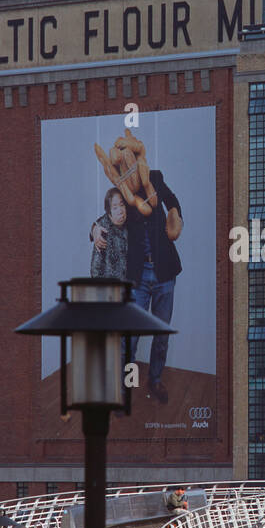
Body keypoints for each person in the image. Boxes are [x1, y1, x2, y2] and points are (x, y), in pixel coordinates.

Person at [95, 167, 182, 404]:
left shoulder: (154, 177)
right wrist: (94, 230)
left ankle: (155, 379)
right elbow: (106, 216)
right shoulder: (120, 188)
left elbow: (172, 200)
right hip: (138, 277)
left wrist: (175, 216)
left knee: (161, 334)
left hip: (164, 272)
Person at [89, 185, 130, 281]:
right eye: (115, 208)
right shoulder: (103, 230)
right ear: (108, 213)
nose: (120, 211)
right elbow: (95, 270)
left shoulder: (130, 223)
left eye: (122, 205)